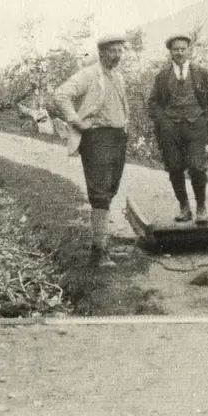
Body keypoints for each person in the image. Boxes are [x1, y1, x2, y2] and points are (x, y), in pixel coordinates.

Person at [53, 34, 129, 267]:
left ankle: (102, 244)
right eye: (112, 51)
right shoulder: (89, 74)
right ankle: (99, 253)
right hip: (97, 138)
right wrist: (76, 121)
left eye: (119, 51)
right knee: (100, 193)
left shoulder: (117, 76)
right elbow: (61, 94)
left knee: (111, 188)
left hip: (117, 138)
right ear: (101, 52)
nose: (116, 55)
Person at [147, 34, 208, 223]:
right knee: (174, 167)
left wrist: (206, 119)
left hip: (195, 126)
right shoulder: (162, 76)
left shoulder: (200, 72)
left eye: (182, 49)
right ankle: (184, 208)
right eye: (175, 49)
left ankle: (201, 208)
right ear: (170, 52)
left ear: (189, 50)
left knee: (197, 167)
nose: (179, 52)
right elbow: (153, 102)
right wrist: (163, 121)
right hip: (170, 129)